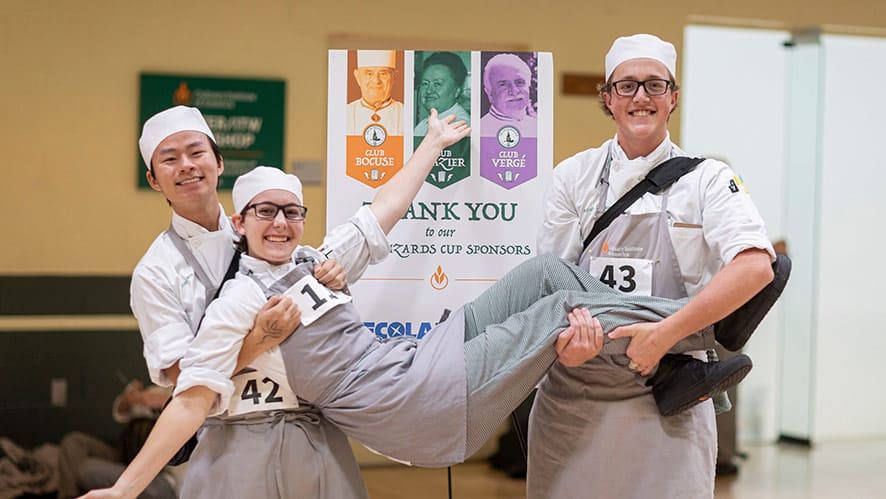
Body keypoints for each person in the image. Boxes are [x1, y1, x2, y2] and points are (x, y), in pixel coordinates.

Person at [82, 112, 772, 498]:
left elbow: (380, 213)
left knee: (546, 274)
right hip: (306, 423)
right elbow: (187, 391)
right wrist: (125, 490)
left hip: (398, 373)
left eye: (291, 210)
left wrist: (433, 145)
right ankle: (703, 332)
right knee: (555, 310)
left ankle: (680, 356)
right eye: (266, 213)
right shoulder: (229, 296)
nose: (281, 222)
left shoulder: (306, 261)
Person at [529, 33, 778, 498]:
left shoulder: (707, 179)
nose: (640, 97)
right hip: (575, 396)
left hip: (669, 394)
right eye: (626, 86)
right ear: (607, 98)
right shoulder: (573, 176)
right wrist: (567, 347)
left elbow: (755, 267)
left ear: (673, 98)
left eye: (654, 85)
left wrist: (662, 335)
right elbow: (550, 282)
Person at [129, 105, 369, 498]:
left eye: (196, 152)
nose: (186, 166)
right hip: (229, 441)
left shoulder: (266, 228)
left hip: (315, 430)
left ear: (220, 162)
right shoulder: (155, 272)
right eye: (169, 160)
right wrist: (261, 339)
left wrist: (331, 276)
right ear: (154, 179)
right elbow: (183, 382)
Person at [57, 381, 176, 499]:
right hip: (127, 455)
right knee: (73, 442)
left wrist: (163, 402)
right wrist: (130, 399)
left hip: (160, 472)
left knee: (87, 469)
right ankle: (69, 496)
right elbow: (120, 413)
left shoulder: (186, 402)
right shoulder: (160, 388)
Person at [346, 50, 404, 135]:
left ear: (394, 77)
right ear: (357, 77)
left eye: (383, 73)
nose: (376, 80)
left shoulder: (405, 113)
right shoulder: (344, 114)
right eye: (369, 73)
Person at [414, 51, 470, 136]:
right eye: (425, 83)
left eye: (437, 84)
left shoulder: (458, 126)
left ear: (457, 91)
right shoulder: (424, 124)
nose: (429, 91)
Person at [480, 53, 537, 136]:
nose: (514, 91)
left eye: (519, 82)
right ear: (489, 93)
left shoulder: (538, 128)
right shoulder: (480, 129)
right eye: (503, 84)